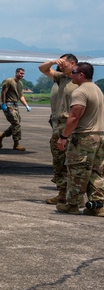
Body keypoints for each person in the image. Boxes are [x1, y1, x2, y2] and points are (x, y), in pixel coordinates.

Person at [54, 62, 104, 215]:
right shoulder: (97, 89)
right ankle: (98, 205)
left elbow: (75, 117)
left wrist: (63, 137)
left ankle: (72, 204)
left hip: (84, 137)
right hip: (99, 135)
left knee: (77, 169)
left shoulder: (80, 92)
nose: (71, 74)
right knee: (96, 172)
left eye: (74, 72)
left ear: (81, 74)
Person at [38, 54, 78, 204]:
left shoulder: (79, 80)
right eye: (60, 64)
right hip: (59, 124)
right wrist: (53, 61)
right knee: (58, 160)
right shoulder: (61, 78)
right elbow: (42, 68)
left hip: (72, 123)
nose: (61, 66)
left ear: (73, 63)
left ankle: (75, 195)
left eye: (64, 63)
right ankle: (62, 192)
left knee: (74, 162)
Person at [0, 67, 29, 150]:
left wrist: (26, 105)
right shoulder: (9, 81)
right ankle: (16, 144)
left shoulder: (20, 84)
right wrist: (3, 104)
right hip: (8, 105)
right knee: (16, 124)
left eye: (23, 74)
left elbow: (21, 96)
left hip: (15, 105)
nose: (22, 75)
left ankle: (1, 136)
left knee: (16, 124)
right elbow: (3, 92)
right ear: (16, 73)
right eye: (21, 73)